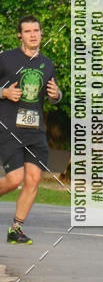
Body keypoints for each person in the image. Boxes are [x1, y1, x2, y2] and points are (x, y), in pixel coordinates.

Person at [0, 16, 62, 244]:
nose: (33, 35)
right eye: (28, 31)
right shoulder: (6, 59)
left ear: (41, 34)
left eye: (36, 30)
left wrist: (56, 95)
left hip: (35, 130)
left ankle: (15, 229)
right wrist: (3, 93)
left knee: (34, 179)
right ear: (20, 35)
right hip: (9, 128)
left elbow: (53, 94)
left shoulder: (47, 63)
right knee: (15, 179)